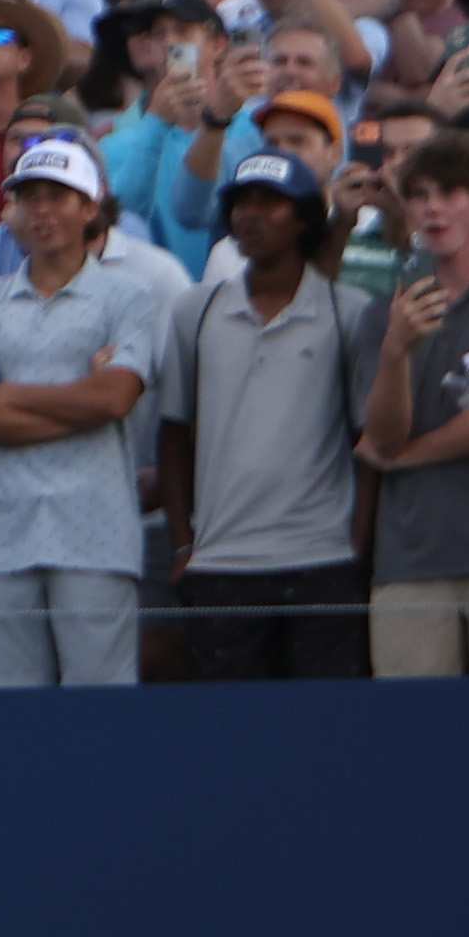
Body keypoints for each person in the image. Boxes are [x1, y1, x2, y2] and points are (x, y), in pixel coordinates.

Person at [154, 148, 378, 681]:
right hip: (221, 562)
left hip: (322, 559)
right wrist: (184, 544)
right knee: (233, 741)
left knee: (324, 733)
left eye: (269, 202)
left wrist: (357, 548)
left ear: (303, 217)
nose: (250, 215)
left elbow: (368, 442)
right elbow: (174, 434)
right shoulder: (196, 310)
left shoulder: (348, 311)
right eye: (240, 202)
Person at [0, 137, 157, 689]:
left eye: (59, 196)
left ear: (91, 206)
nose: (42, 209)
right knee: (6, 721)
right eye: (29, 195)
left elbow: (115, 399)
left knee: (101, 716)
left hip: (96, 536)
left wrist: (10, 395)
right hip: (1, 537)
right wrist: (81, 398)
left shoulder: (129, 296)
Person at [357, 127, 469, 675]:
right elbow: (383, 435)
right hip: (410, 560)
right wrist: (396, 351)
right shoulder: (384, 314)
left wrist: (404, 458)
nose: (432, 208)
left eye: (449, 193)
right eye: (419, 195)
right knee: (414, 741)